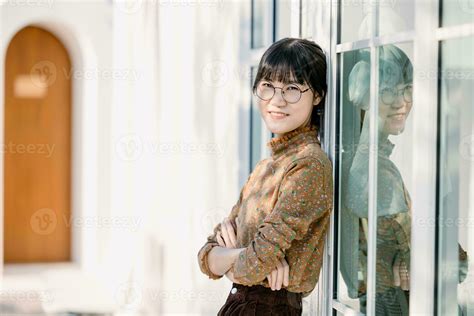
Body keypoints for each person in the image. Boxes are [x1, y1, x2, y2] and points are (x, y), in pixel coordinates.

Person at [197, 37, 333, 315]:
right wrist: (241, 254)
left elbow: (251, 267)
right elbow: (205, 257)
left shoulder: (308, 165)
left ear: (317, 95)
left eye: (292, 88)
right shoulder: (267, 165)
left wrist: (240, 257)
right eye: (268, 86)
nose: (277, 100)